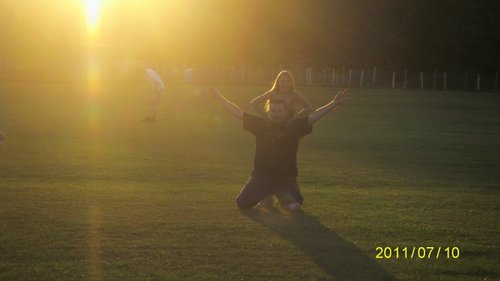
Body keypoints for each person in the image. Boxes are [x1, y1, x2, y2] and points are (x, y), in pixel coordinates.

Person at [207, 87, 348, 211]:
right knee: (242, 204)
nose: (275, 113)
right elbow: (238, 112)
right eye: (273, 110)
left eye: (279, 111)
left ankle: (276, 194)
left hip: (285, 179)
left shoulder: (294, 127)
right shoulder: (261, 124)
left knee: (294, 207)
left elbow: (315, 115)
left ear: (287, 112)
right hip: (261, 176)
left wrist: (334, 103)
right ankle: (267, 194)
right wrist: (219, 98)